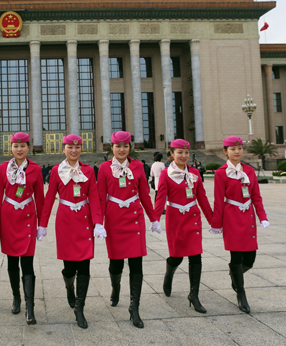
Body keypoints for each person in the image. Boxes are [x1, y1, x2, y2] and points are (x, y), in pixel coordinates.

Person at [97, 131, 161, 329]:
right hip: (114, 219)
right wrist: (98, 222)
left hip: (134, 219)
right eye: (118, 146)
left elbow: (144, 195)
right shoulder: (105, 168)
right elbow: (100, 197)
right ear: (112, 148)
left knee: (136, 264)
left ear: (129, 148)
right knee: (116, 264)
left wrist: (154, 218)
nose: (122, 150)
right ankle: (115, 287)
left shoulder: (138, 166)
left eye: (125, 146)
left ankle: (134, 307)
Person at [40, 134, 102, 329]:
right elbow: (49, 198)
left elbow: (94, 197)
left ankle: (79, 308)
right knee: (69, 267)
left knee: (84, 266)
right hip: (65, 221)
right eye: (70, 147)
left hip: (84, 221)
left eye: (77, 148)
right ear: (64, 149)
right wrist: (42, 224)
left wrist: (98, 222)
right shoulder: (56, 171)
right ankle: (69, 286)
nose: (74, 151)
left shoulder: (88, 171)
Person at [209, 136, 269, 314]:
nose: (237, 151)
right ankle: (241, 293)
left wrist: (262, 216)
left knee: (250, 259)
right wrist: (216, 223)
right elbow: (218, 200)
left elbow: (256, 196)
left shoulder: (249, 170)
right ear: (225, 151)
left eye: (240, 148)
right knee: (236, 257)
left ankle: (235, 275)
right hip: (231, 218)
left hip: (248, 217)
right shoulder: (221, 173)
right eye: (233, 149)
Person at [0, 132, 45, 326]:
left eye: (23, 146)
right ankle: (16, 297)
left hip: (27, 218)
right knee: (12, 262)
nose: (19, 149)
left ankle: (30, 306)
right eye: (16, 146)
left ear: (28, 147)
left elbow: (40, 198)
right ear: (11, 148)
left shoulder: (36, 169)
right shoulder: (3, 168)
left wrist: (42, 224)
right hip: (8, 219)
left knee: (27, 263)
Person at [154, 139, 213, 313]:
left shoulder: (194, 172)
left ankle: (194, 295)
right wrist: (155, 219)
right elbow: (161, 197)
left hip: (192, 218)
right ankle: (169, 274)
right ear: (172, 154)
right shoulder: (166, 173)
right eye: (180, 152)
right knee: (177, 257)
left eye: (186, 152)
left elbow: (202, 197)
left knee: (196, 256)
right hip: (175, 219)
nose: (184, 155)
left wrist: (213, 221)